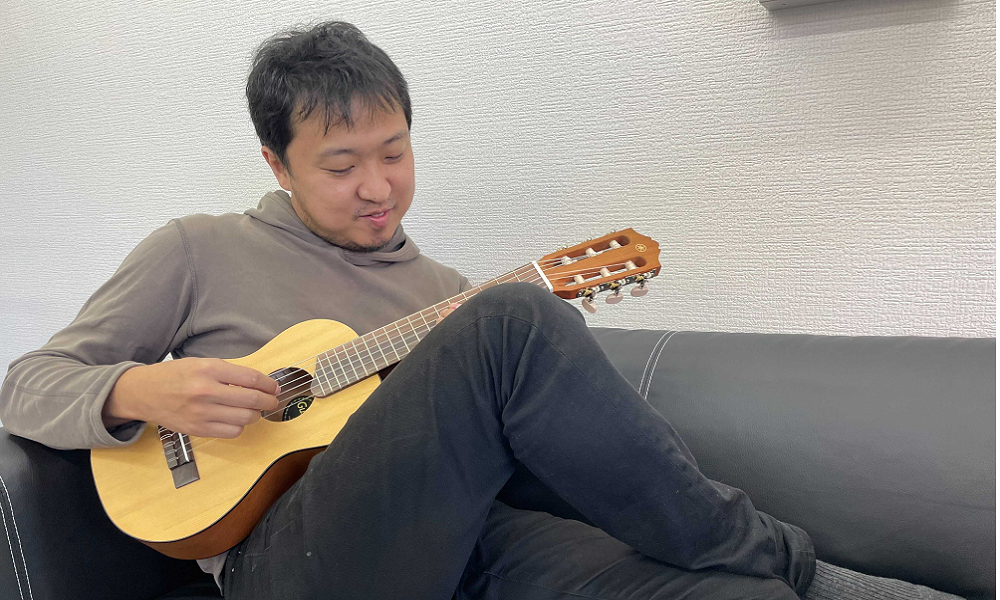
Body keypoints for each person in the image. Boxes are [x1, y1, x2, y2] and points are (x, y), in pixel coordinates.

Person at [0, 21, 964, 600]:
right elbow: (26, 384)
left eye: (395, 152)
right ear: (277, 165)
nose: (378, 187)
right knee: (511, 321)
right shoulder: (197, 250)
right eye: (341, 165)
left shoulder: (441, 298)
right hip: (285, 566)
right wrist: (140, 390)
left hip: (463, 543)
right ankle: (795, 560)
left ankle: (761, 573)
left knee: (726, 596)